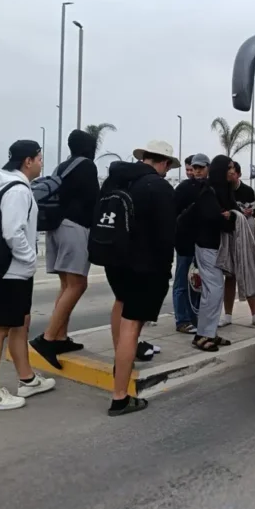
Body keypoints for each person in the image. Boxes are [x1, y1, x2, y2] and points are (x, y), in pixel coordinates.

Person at [100, 141, 178, 417]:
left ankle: (119, 362)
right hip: (144, 266)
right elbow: (169, 234)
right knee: (132, 325)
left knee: (120, 304)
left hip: (113, 259)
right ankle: (120, 397)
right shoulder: (159, 188)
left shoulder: (114, 181)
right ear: (164, 163)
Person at [0, 140, 56, 410]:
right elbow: (13, 232)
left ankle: (27, 379)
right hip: (9, 271)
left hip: (15, 272)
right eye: (40, 158)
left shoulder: (9, 185)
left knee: (20, 324)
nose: (42, 163)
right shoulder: (19, 190)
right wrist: (30, 257)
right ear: (28, 161)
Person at [30, 129, 100, 369]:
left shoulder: (62, 166)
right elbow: (94, 200)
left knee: (66, 285)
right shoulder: (87, 166)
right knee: (79, 284)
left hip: (56, 227)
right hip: (75, 227)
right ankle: (48, 338)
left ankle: (60, 337)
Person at [191, 155, 236, 352]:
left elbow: (229, 218)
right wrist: (226, 217)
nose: (232, 172)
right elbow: (214, 219)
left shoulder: (223, 191)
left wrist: (229, 216)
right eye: (229, 168)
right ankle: (202, 336)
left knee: (215, 291)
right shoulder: (208, 191)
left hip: (217, 246)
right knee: (214, 290)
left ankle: (209, 332)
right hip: (207, 245)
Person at [219, 161, 255, 329]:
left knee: (248, 272)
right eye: (228, 172)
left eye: (232, 172)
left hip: (245, 235)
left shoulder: (247, 190)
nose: (229, 175)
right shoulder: (222, 190)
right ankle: (227, 315)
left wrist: (248, 212)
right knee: (230, 276)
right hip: (229, 236)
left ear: (238, 174)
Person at [172, 153, 209, 333]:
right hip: (185, 244)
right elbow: (173, 216)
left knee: (197, 284)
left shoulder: (210, 189)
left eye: (201, 168)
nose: (197, 171)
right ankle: (182, 320)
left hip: (203, 245)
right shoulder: (183, 188)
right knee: (181, 283)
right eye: (194, 168)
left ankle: (196, 318)